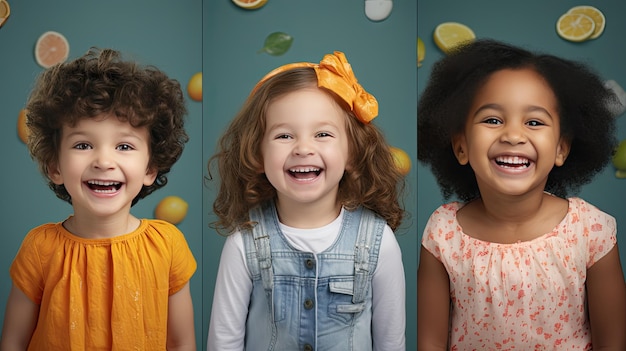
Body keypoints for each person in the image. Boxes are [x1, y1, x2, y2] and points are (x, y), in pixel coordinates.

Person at [417, 38, 626, 350]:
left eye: (534, 121)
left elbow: (613, 342)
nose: (513, 135)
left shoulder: (591, 231)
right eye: (492, 119)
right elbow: (430, 342)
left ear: (560, 148)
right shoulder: (443, 234)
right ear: (461, 146)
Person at [206, 51, 407, 350]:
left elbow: (391, 342)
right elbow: (224, 341)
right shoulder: (242, 243)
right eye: (284, 136)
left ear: (351, 153)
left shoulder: (379, 242)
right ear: (257, 154)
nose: (303, 148)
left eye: (323, 134)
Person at [0, 48, 197, 350]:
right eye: (82, 144)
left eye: (124, 146)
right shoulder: (39, 249)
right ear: (55, 167)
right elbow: (13, 342)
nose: (103, 161)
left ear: (150, 167)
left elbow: (181, 342)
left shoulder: (168, 245)